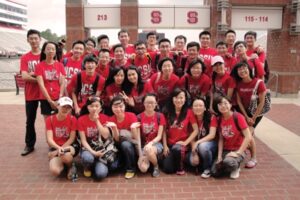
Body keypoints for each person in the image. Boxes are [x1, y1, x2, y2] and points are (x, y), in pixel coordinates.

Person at [230, 62, 267, 169]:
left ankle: (254, 158)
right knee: (248, 134)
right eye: (239, 70)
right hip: (244, 112)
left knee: (248, 134)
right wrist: (246, 116)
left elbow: (262, 102)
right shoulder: (238, 83)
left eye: (244, 68)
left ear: (249, 69)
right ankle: (247, 154)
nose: (242, 71)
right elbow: (239, 102)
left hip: (257, 113)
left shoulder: (259, 83)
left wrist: (253, 118)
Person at [211, 96, 252, 179]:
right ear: (217, 107)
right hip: (226, 150)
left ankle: (236, 167)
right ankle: (229, 165)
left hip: (238, 149)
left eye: (225, 103)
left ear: (230, 104)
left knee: (228, 162)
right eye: (220, 104)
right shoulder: (219, 119)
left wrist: (238, 152)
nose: (223, 106)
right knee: (214, 172)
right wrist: (219, 156)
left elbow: (248, 136)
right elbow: (221, 139)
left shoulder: (238, 117)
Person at [78, 96, 117, 180]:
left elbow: (105, 135)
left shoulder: (105, 117)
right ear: (87, 107)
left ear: (100, 107)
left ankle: (96, 164)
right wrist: (93, 152)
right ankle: (87, 166)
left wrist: (97, 121)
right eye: (91, 106)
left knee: (101, 174)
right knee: (88, 158)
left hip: (102, 149)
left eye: (96, 106)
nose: (94, 108)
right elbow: (83, 141)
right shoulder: (81, 119)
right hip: (88, 149)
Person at [161, 88, 198, 175]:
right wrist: (165, 146)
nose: (179, 100)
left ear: (185, 99)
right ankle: (180, 160)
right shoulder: (167, 112)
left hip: (182, 145)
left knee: (177, 148)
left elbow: (196, 130)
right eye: (176, 97)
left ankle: (181, 167)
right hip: (170, 144)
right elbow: (164, 131)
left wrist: (186, 142)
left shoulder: (189, 112)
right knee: (168, 169)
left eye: (181, 97)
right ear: (172, 98)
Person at [105, 96, 139, 179]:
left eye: (121, 106)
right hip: (118, 147)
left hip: (131, 145)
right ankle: (122, 162)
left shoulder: (131, 116)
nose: (118, 109)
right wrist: (114, 128)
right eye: (115, 107)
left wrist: (133, 128)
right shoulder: (111, 119)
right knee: (112, 167)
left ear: (125, 106)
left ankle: (131, 169)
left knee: (125, 144)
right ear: (111, 108)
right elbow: (116, 140)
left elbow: (136, 138)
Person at [20, 29, 42, 156]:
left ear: (40, 39)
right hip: (31, 93)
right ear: (28, 40)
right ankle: (29, 145)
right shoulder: (25, 57)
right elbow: (24, 76)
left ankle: (52, 144)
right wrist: (40, 78)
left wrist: (33, 75)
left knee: (50, 119)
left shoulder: (45, 55)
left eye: (36, 38)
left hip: (45, 93)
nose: (34, 40)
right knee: (30, 120)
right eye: (31, 38)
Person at [46, 97, 77, 180]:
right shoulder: (50, 119)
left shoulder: (73, 119)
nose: (65, 109)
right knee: (55, 171)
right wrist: (58, 148)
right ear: (58, 106)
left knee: (65, 154)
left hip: (69, 146)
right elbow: (49, 139)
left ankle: (70, 166)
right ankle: (63, 163)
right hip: (56, 146)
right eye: (63, 106)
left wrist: (57, 151)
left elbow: (72, 139)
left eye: (68, 107)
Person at [136, 93, 165, 177]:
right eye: (147, 102)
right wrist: (141, 154)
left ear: (156, 103)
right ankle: (150, 159)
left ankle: (156, 166)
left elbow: (160, 136)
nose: (149, 104)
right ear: (143, 103)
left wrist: (150, 144)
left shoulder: (160, 116)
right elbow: (137, 137)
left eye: (152, 102)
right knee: (143, 169)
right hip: (143, 145)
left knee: (148, 150)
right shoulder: (139, 117)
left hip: (156, 144)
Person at [189, 97, 216, 178]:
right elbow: (191, 137)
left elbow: (212, 135)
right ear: (192, 108)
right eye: (195, 106)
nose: (198, 108)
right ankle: (202, 162)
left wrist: (198, 142)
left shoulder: (211, 117)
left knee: (203, 146)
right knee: (193, 162)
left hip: (210, 144)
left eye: (200, 105)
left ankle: (207, 169)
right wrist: (194, 153)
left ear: (205, 108)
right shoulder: (190, 118)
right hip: (196, 145)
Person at [36, 41, 66, 117]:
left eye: (53, 49)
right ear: (44, 51)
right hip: (45, 98)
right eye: (48, 49)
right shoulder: (39, 66)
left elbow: (63, 83)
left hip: (58, 98)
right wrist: (50, 101)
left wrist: (60, 97)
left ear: (56, 51)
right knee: (48, 123)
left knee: (58, 122)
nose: (51, 51)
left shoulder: (60, 65)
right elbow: (41, 85)